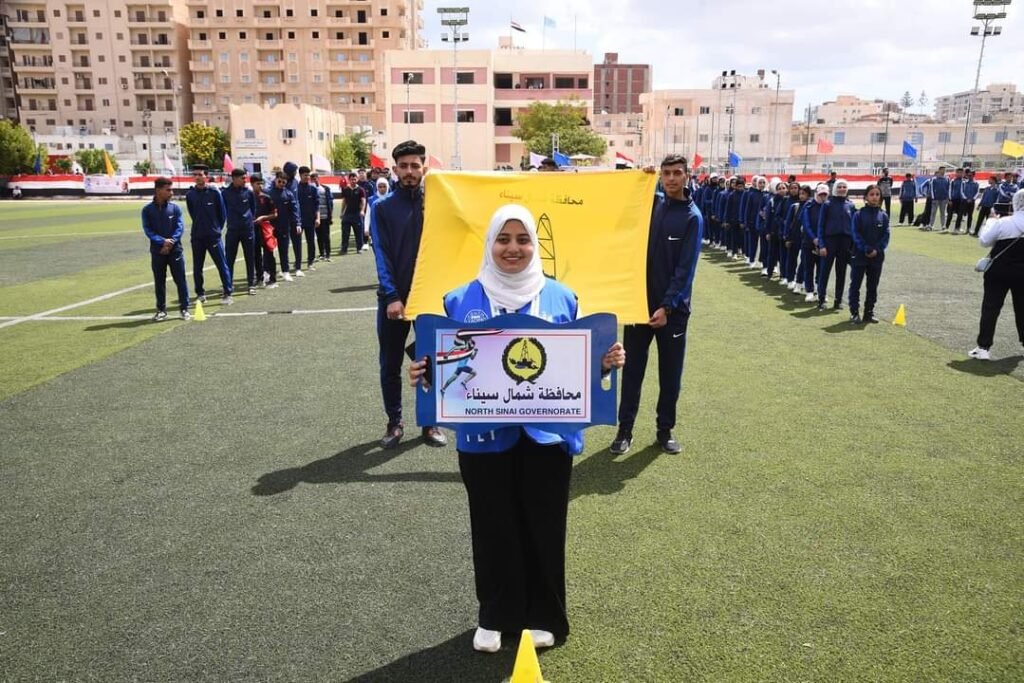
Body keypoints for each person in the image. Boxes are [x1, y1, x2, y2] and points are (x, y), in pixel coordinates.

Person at [408, 204, 625, 653]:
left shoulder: (563, 298)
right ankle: (495, 615)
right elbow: (442, 368)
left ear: (535, 245)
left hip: (548, 437)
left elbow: (582, 369)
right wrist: (423, 374)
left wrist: (605, 364)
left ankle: (545, 615)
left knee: (545, 525)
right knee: (492, 525)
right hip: (483, 438)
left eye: (523, 239)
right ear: (490, 244)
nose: (513, 248)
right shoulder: (458, 300)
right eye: (503, 239)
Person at [612, 154, 702, 456]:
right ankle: (624, 430)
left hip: (672, 314)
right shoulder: (652, 204)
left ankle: (665, 430)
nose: (671, 178)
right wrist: (642, 176)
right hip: (639, 307)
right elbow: (624, 201)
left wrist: (667, 306)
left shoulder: (692, 217)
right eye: (666, 173)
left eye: (677, 173)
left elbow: (685, 270)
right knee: (632, 372)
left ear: (687, 175)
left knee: (670, 375)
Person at [372, 140, 447, 449]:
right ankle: (395, 422)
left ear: (424, 169)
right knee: (390, 363)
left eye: (415, 166)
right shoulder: (382, 207)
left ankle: (430, 423)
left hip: (429, 298)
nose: (409, 171)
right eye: (403, 166)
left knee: (429, 360)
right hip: (394, 300)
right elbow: (381, 253)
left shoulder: (437, 204)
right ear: (394, 169)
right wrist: (392, 296)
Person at [969, 189, 1024, 360]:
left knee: (991, 308)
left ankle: (983, 347)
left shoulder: (1004, 222)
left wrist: (990, 221)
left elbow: (984, 241)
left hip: (998, 271)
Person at [142, 177, 191, 321]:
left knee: (180, 279)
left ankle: (184, 308)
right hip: (158, 251)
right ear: (158, 190)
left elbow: (180, 227)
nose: (171, 192)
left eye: (171, 189)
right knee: (159, 281)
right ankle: (161, 310)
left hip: (175, 250)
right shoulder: (147, 210)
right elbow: (148, 230)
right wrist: (162, 241)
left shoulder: (175, 208)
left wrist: (170, 242)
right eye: (168, 190)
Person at [185, 165, 233, 305]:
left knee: (221, 264)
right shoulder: (190, 195)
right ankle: (200, 294)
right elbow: (192, 213)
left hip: (213, 236)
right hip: (197, 236)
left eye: (200, 174)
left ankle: (227, 292)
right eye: (195, 174)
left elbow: (222, 214)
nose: (197, 177)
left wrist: (216, 229)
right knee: (197, 267)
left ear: (206, 176)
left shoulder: (214, 193)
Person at [848, 185, 890, 324]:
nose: (874, 197)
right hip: (859, 256)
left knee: (872, 286)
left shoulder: (883, 215)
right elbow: (855, 234)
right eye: (871, 194)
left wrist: (877, 249)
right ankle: (854, 313)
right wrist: (866, 248)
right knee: (855, 285)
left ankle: (869, 313)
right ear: (866, 197)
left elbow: (886, 235)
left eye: (877, 194)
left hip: (877, 257)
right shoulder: (858, 214)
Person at [816, 178, 855, 311]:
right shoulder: (827, 204)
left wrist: (852, 245)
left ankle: (838, 301)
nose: (842, 189)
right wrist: (822, 245)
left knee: (841, 272)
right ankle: (821, 299)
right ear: (834, 189)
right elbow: (820, 226)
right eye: (839, 187)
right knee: (824, 271)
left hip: (845, 242)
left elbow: (853, 226)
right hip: (830, 241)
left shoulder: (850, 205)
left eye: (844, 187)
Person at [222, 168, 258, 296]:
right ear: (234, 178)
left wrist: (249, 221)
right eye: (242, 178)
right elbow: (222, 210)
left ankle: (251, 284)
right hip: (232, 230)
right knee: (229, 258)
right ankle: (228, 285)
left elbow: (253, 209)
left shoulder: (248, 192)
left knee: (250, 257)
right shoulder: (225, 193)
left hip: (247, 230)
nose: (245, 180)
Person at [267, 171, 300, 282]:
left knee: (284, 250)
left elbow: (294, 210)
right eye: (279, 181)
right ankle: (267, 272)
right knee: (268, 251)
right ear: (275, 180)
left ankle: (285, 271)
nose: (281, 184)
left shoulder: (289, 194)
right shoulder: (268, 193)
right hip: (270, 227)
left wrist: (297, 223)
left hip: (284, 226)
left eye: (283, 182)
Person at [801, 184, 829, 302]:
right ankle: (809, 291)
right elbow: (806, 224)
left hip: (824, 244)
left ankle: (820, 291)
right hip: (809, 242)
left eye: (824, 194)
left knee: (822, 269)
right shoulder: (808, 205)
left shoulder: (829, 206)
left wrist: (822, 241)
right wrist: (814, 238)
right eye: (820, 194)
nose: (822, 197)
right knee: (809, 267)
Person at [251, 173, 279, 289]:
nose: (260, 186)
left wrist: (263, 218)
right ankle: (259, 278)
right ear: (252, 184)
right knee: (256, 254)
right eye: (258, 184)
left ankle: (273, 278)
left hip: (265, 228)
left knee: (269, 253)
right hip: (253, 229)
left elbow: (275, 214)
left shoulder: (267, 197)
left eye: (261, 183)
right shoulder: (248, 197)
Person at [295, 166, 320, 272]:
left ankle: (310, 262)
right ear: (300, 175)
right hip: (298, 221)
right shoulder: (296, 189)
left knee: (311, 242)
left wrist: (318, 218)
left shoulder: (313, 189)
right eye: (305, 175)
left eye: (308, 175)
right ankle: (297, 263)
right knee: (297, 243)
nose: (307, 177)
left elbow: (317, 205)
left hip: (310, 220)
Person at [339, 171, 367, 255]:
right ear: (349, 180)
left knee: (358, 232)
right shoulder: (346, 189)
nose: (353, 181)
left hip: (357, 214)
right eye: (351, 179)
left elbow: (363, 201)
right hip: (347, 214)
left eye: (355, 179)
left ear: (357, 179)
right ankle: (344, 249)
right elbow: (344, 201)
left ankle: (359, 248)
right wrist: (342, 212)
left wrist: (362, 210)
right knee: (345, 233)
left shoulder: (360, 190)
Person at [310, 172, 334, 261]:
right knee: (319, 236)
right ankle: (321, 254)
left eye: (315, 178)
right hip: (315, 217)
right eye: (312, 179)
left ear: (318, 178)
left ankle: (328, 254)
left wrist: (330, 215)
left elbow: (330, 202)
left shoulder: (325, 189)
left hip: (325, 216)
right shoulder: (310, 190)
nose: (314, 180)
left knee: (326, 236)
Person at [955, 169, 979, 235]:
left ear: (973, 175)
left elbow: (977, 192)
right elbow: (961, 191)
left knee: (970, 216)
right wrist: (966, 198)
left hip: (972, 202)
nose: (969, 176)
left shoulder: (976, 183)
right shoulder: (964, 183)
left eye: (970, 175)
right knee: (960, 214)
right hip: (964, 201)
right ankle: (957, 228)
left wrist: (973, 199)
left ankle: (968, 229)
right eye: (968, 175)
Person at [944, 167, 965, 232]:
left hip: (961, 200)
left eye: (961, 173)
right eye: (958, 172)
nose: (960, 174)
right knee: (950, 214)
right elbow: (950, 190)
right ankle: (946, 227)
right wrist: (949, 200)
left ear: (963, 173)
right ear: (956, 173)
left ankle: (957, 228)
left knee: (960, 215)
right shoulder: (953, 181)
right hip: (953, 200)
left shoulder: (964, 182)